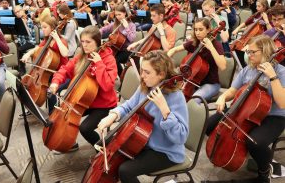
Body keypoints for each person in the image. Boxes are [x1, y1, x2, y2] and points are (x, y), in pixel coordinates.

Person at [96, 50, 189, 183]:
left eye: (147, 72)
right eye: (141, 70)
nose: (142, 75)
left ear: (162, 74)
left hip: (165, 151)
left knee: (125, 170)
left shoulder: (175, 96)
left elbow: (181, 137)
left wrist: (164, 109)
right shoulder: (145, 87)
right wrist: (112, 116)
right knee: (104, 148)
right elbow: (129, 105)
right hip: (142, 142)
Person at [206, 35, 285, 183]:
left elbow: (282, 103)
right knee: (210, 124)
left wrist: (273, 77)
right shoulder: (248, 69)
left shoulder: (281, 72)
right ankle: (242, 151)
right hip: (244, 111)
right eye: (247, 52)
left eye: (252, 52)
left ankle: (264, 172)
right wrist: (222, 98)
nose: (248, 55)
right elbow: (232, 90)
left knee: (256, 142)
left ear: (265, 51)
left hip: (273, 116)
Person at [49, 26, 117, 150]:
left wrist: (99, 63)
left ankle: (106, 150)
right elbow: (65, 69)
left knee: (85, 128)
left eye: (88, 42)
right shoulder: (82, 56)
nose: (84, 45)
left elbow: (107, 86)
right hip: (85, 101)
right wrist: (55, 82)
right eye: (82, 42)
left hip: (104, 104)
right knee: (64, 115)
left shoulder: (108, 59)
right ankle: (69, 142)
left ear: (97, 42)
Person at [167, 18, 226, 102]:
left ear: (208, 29)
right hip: (191, 83)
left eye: (201, 29)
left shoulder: (216, 45)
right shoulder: (194, 43)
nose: (197, 33)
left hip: (210, 84)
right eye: (195, 29)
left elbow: (223, 66)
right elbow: (174, 50)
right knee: (169, 93)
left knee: (194, 101)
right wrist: (165, 61)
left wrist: (211, 47)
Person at [20, 16, 69, 112]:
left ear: (52, 27)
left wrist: (57, 39)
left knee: (49, 91)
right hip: (50, 72)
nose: (42, 30)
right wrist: (28, 53)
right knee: (30, 84)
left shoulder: (61, 40)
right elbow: (37, 48)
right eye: (42, 27)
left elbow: (65, 53)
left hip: (63, 74)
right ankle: (32, 106)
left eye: (45, 27)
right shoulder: (47, 40)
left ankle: (52, 114)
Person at [100, 4, 136, 76]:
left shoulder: (131, 25)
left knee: (115, 61)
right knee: (106, 58)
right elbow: (103, 29)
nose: (118, 17)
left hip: (127, 50)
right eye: (116, 15)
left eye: (119, 14)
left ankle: (122, 77)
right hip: (116, 49)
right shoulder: (115, 24)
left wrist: (126, 27)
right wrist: (97, 33)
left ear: (125, 13)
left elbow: (132, 39)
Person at [13, 5, 36, 76]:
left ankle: (22, 68)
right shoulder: (17, 21)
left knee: (18, 50)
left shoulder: (28, 20)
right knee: (13, 48)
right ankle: (16, 67)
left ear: (22, 10)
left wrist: (24, 24)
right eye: (15, 12)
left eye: (18, 11)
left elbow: (29, 35)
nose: (17, 13)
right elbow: (18, 36)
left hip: (30, 42)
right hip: (22, 42)